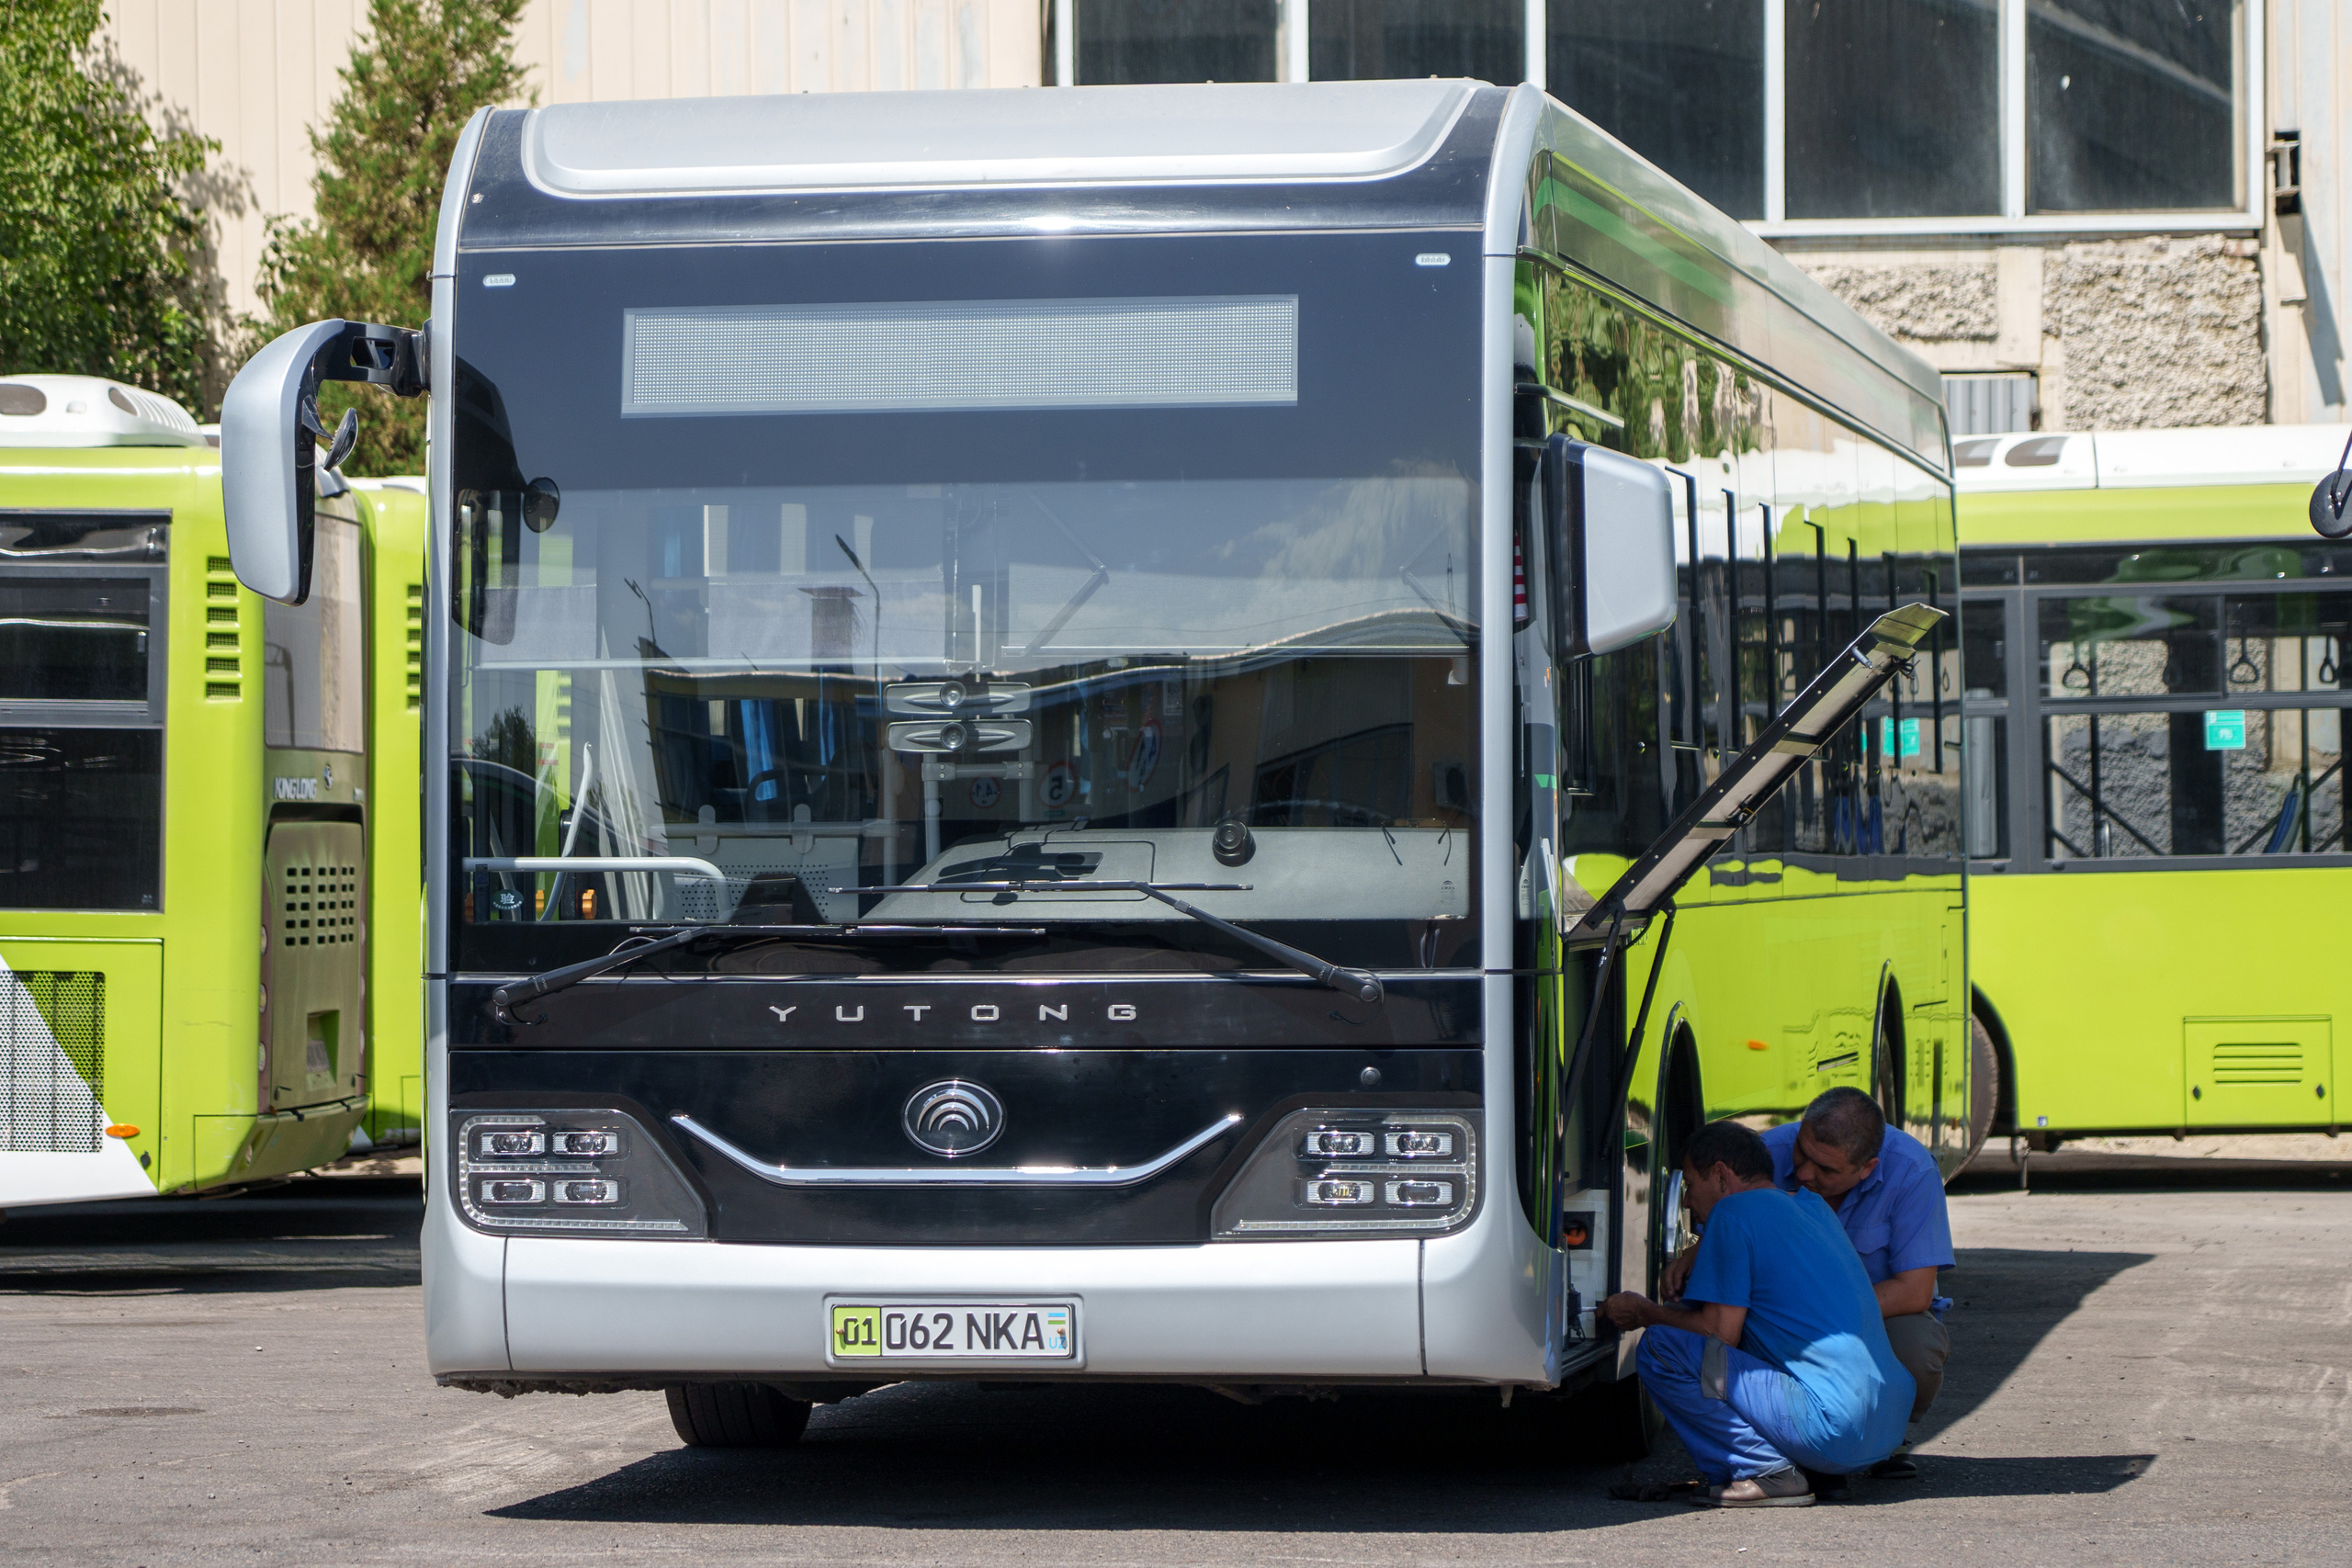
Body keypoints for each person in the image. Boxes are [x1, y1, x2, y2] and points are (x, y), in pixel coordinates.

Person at [1602, 1119, 1913, 1507]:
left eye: (1690, 1185)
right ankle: (1814, 1470)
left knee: (1662, 1347)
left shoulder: (1732, 1213)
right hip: (1884, 1424)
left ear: (1720, 1175)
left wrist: (1646, 1312)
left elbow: (1719, 1333)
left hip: (1835, 1429)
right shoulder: (1813, 1207)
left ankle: (1764, 1470)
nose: (1685, 1201)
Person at [1758, 1087, 1954, 1479]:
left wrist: (1823, 1313)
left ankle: (1888, 1434)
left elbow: (1914, 1291)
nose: (1804, 1174)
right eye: (1802, 1153)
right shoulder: (1762, 1153)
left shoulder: (1913, 1171)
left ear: (1867, 1168)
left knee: (1917, 1346)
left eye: (1826, 1170)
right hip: (1774, 1315)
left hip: (1870, 1318)